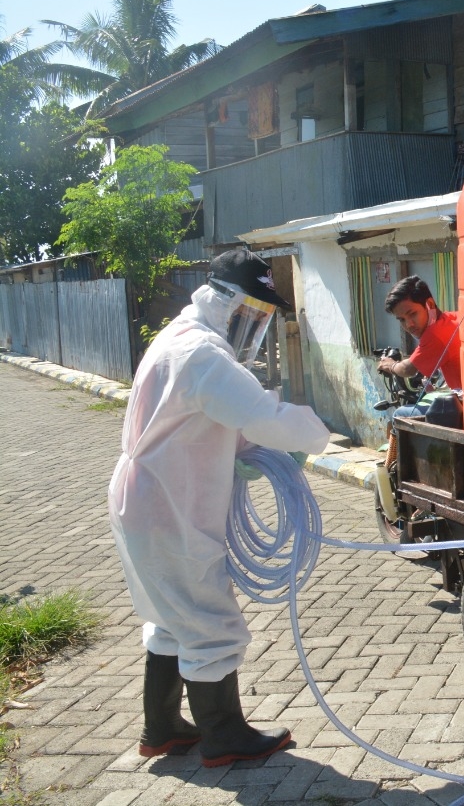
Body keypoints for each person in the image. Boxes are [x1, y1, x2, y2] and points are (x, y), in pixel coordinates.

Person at [108, 248, 331, 767]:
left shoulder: (176, 340)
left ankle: (162, 727)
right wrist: (311, 436)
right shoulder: (203, 354)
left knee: (171, 618)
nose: (252, 329)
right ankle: (224, 736)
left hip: (149, 501)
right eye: (251, 315)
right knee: (210, 622)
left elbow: (196, 421)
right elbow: (262, 415)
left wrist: (240, 451)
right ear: (226, 301)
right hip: (168, 507)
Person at [376, 275, 462, 424]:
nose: (409, 325)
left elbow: (408, 369)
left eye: (412, 314)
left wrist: (390, 365)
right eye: (401, 319)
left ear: (429, 304)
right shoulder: (452, 318)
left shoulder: (435, 334)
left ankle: (396, 449)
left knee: (400, 414)